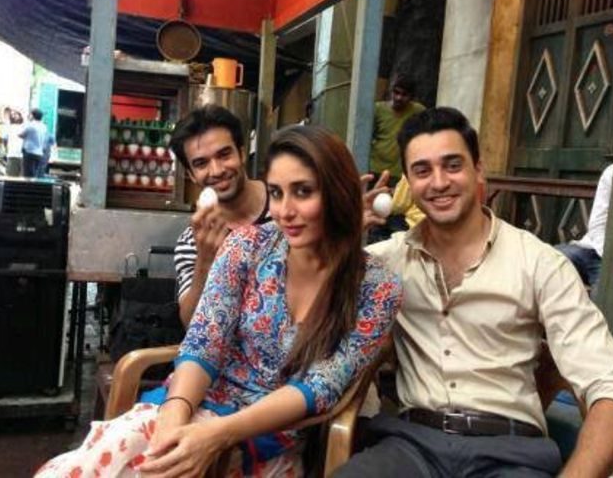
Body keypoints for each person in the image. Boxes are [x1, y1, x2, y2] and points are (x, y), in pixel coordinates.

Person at [35, 126, 402, 477]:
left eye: (303, 192)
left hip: (266, 437)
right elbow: (204, 340)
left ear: (338, 193)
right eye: (276, 193)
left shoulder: (377, 288)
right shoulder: (248, 245)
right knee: (118, 457)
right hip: (195, 403)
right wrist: (172, 422)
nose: (285, 211)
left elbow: (322, 387)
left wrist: (216, 436)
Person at [335, 107, 613, 478]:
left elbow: (611, 389)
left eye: (452, 165)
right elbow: (301, 296)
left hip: (510, 452)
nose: (438, 182)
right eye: (422, 170)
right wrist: (343, 235)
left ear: (478, 169)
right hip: (411, 446)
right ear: (409, 184)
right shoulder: (386, 262)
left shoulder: (540, 264)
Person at [169, 105, 272, 328]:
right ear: (191, 175)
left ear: (242, 153)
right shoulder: (194, 240)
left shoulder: (286, 206)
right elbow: (191, 325)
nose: (216, 170)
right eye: (201, 163)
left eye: (224, 155)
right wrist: (206, 260)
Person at [555, 163, 613, 294]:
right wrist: (604, 253)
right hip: (591, 248)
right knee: (545, 259)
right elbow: (598, 223)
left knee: (604, 298)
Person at [369, 73, 425, 187]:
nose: (399, 97)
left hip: (399, 172)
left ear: (412, 97)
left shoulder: (418, 111)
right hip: (375, 168)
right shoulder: (378, 109)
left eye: (404, 95)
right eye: (396, 92)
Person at [19, 107, 47, 177]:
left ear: (32, 115)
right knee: (35, 174)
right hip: (39, 153)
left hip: (29, 153)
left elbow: (20, 134)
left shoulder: (30, 125)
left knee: (27, 175)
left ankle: (28, 184)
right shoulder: (44, 127)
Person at [4, 109, 24, 176]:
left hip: (22, 155)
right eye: (12, 115)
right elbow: (4, 139)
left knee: (22, 178)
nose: (14, 116)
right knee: (11, 176)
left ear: (20, 116)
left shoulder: (24, 127)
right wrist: (6, 149)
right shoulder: (8, 127)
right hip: (12, 154)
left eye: (16, 114)